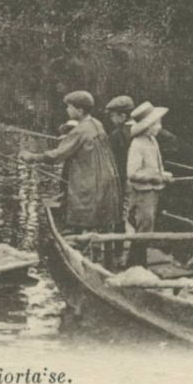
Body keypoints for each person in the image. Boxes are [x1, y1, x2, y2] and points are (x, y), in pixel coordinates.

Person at [19, 90, 123, 267]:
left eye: (70, 107)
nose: (67, 110)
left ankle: (89, 261)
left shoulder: (80, 130)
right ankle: (107, 261)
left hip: (91, 182)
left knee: (88, 221)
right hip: (107, 181)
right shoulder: (97, 124)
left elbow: (57, 155)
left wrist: (31, 157)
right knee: (104, 222)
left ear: (80, 110)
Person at [126, 102, 173, 267]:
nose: (160, 127)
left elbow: (154, 167)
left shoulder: (152, 140)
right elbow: (132, 173)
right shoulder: (137, 144)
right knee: (144, 229)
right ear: (147, 127)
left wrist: (163, 175)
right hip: (143, 193)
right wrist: (156, 178)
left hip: (153, 191)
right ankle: (135, 265)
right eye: (157, 123)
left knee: (147, 226)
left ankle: (138, 262)